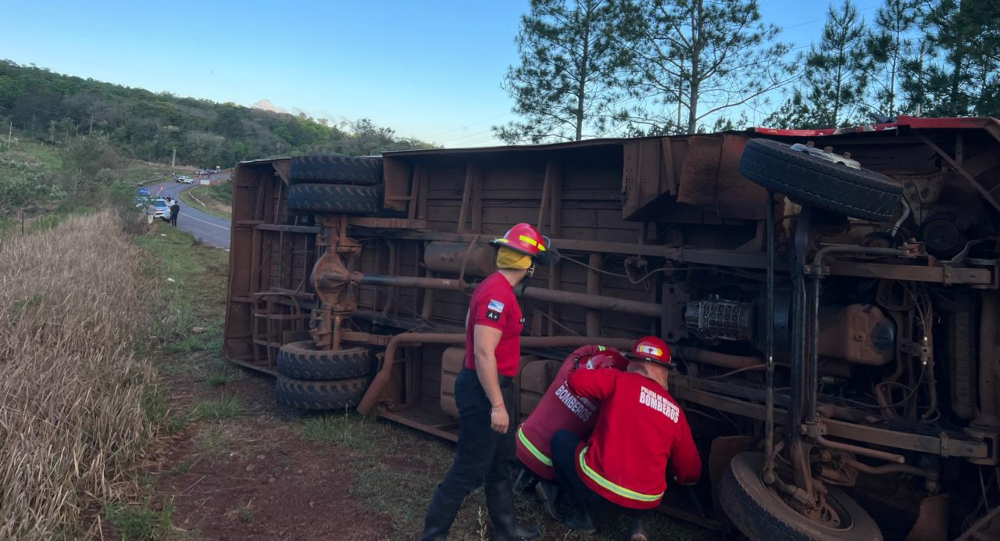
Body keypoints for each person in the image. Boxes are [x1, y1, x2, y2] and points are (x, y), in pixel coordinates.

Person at [420, 223, 552, 541]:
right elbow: (482, 351)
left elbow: (470, 325)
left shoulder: (490, 285)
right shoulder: (498, 294)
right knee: (468, 471)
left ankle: (506, 530)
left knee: (499, 465)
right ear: (530, 265)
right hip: (484, 391)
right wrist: (496, 405)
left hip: (492, 386)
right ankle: (433, 536)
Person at [551, 336, 701, 540]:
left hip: (597, 490)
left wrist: (608, 366)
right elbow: (689, 470)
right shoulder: (675, 412)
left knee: (561, 440)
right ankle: (637, 526)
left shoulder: (618, 380)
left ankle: (582, 518)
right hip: (645, 502)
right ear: (664, 369)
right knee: (658, 461)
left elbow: (575, 382)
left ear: (633, 361)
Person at [514, 345, 628, 519]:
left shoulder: (568, 366)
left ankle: (525, 474)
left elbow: (586, 348)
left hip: (520, 443)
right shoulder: (601, 408)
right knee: (574, 449)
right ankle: (551, 489)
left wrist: (610, 350)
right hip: (547, 466)